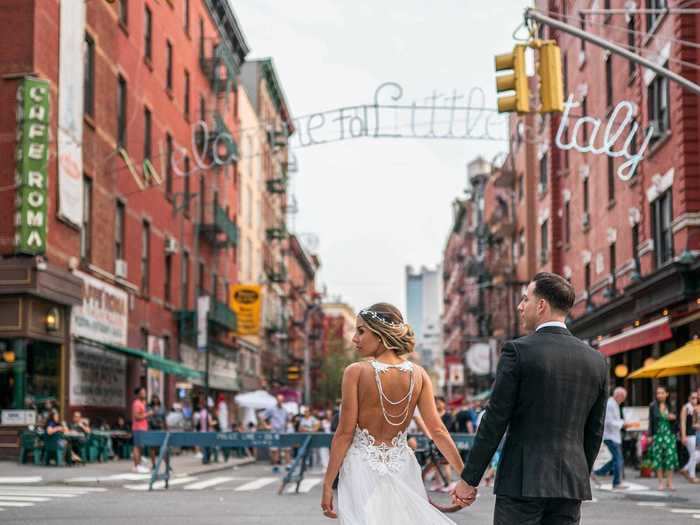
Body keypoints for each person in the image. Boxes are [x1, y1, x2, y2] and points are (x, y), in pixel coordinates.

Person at [452, 272, 608, 525]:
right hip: (569, 484)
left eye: (525, 299)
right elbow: (594, 431)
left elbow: (495, 420)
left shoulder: (518, 351)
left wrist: (469, 480)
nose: (520, 306)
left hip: (522, 481)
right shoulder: (596, 361)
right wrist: (578, 474)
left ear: (541, 305)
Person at [320, 303, 464, 523]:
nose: (354, 339)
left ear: (380, 335)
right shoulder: (419, 374)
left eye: (361, 331)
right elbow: (438, 431)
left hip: (361, 468)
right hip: (403, 466)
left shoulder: (355, 372)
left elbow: (344, 434)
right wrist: (466, 477)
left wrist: (328, 484)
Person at [592, 387, 630, 489]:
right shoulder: (610, 404)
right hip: (610, 436)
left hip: (613, 436)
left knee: (615, 459)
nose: (623, 400)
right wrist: (623, 424)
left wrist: (622, 423)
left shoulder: (614, 404)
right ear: (619, 395)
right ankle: (616, 482)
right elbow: (609, 422)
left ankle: (597, 473)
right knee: (619, 459)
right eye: (623, 397)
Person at [649, 385, 679, 491]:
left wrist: (674, 418)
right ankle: (661, 483)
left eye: (662, 393)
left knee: (670, 459)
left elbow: (678, 420)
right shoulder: (653, 406)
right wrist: (650, 436)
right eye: (658, 393)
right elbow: (651, 422)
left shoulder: (672, 405)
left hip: (669, 435)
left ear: (667, 394)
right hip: (658, 435)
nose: (659, 395)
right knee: (658, 459)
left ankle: (670, 483)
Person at [263, 395, 290, 465]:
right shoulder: (272, 409)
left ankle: (288, 465)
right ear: (276, 400)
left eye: (281, 400)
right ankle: (275, 465)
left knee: (286, 448)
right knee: (274, 450)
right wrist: (266, 426)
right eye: (278, 400)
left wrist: (286, 425)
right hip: (274, 431)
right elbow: (263, 418)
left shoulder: (285, 410)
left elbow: (287, 419)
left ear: (283, 401)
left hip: (283, 431)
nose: (280, 402)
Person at [131, 387, 152, 474]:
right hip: (138, 428)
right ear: (138, 394)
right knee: (137, 447)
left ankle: (138, 465)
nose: (144, 394)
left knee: (140, 447)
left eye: (145, 392)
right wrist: (148, 414)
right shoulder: (137, 403)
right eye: (143, 392)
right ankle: (137, 466)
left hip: (143, 428)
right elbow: (136, 417)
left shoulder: (142, 403)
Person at [680, 392, 698, 483]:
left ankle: (689, 472)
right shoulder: (686, 408)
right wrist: (683, 436)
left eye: (696, 397)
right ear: (689, 398)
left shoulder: (697, 408)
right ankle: (690, 474)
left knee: (694, 455)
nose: (694, 399)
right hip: (689, 435)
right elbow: (683, 422)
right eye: (692, 397)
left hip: (697, 434)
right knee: (694, 455)